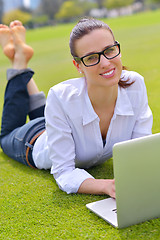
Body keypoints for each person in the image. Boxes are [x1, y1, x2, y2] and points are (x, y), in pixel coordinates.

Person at [0, 18, 153, 199]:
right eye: (91, 57)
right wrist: (106, 185)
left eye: (109, 50)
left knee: (52, 113)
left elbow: (141, 151)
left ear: (117, 49)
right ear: (78, 66)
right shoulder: (61, 97)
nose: (105, 63)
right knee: (5, 136)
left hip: (58, 125)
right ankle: (18, 63)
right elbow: (64, 171)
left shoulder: (135, 84)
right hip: (34, 139)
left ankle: (22, 61)